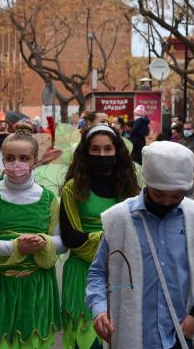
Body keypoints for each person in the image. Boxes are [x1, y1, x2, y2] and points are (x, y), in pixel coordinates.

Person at [86, 141, 194, 349]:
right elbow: (98, 273)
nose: (166, 202)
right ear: (147, 184)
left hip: (180, 336)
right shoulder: (119, 218)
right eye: (158, 194)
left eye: (176, 196)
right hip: (133, 336)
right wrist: (99, 310)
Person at [0, 129, 66, 348]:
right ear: (2, 160)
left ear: (34, 160)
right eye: (10, 158)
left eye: (24, 158)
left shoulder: (49, 198)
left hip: (37, 288)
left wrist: (44, 241)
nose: (17, 163)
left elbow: (62, 244)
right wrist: (16, 247)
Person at [60, 125, 140, 349]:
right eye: (95, 149)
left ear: (117, 151)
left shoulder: (131, 189)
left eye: (107, 149)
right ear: (86, 153)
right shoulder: (72, 188)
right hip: (81, 274)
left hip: (122, 271)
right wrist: (111, 237)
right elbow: (71, 238)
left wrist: (102, 238)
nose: (102, 155)